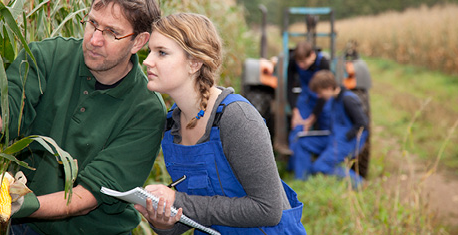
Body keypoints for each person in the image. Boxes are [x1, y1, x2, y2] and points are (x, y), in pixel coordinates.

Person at [0, 0, 166, 234]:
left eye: (112, 32)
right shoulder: (47, 56)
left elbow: (86, 198)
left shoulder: (147, 110)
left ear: (138, 42)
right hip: (24, 225)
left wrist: (14, 203)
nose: (94, 40)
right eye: (92, 23)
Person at [137, 12, 306, 234]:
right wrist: (163, 222)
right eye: (150, 52)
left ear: (194, 63)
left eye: (162, 53)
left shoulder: (236, 118)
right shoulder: (172, 125)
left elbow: (268, 210)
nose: (148, 61)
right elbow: (197, 212)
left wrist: (179, 201)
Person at [292, 70, 368, 185]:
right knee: (302, 141)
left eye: (320, 92)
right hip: (334, 137)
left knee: (321, 166)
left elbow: (363, 123)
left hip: (347, 141)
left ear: (328, 88)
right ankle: (302, 181)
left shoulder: (348, 99)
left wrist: (347, 136)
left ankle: (360, 184)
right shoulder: (333, 100)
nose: (319, 96)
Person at [287, 41, 331, 171]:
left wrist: (312, 118)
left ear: (312, 55)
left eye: (304, 63)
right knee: (298, 128)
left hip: (323, 99)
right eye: (299, 63)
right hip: (305, 97)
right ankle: (296, 169)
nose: (301, 66)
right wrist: (295, 111)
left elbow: (325, 94)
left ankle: (323, 165)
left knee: (327, 129)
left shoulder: (323, 63)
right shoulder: (292, 60)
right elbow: (289, 86)